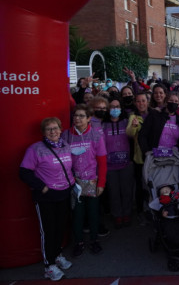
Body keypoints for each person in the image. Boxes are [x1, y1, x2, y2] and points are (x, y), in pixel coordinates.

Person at [19, 117, 75, 281]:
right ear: (43, 132)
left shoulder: (65, 145)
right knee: (48, 231)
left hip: (64, 193)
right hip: (46, 197)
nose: (53, 132)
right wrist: (42, 187)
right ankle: (49, 266)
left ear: (60, 129)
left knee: (60, 228)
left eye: (56, 128)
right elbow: (24, 172)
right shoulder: (35, 149)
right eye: (49, 129)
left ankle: (57, 255)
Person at [62, 104, 107, 257]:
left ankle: (94, 241)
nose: (77, 118)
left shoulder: (96, 135)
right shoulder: (66, 135)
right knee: (77, 214)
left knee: (93, 213)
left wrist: (101, 183)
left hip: (92, 181)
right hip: (74, 181)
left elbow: (102, 161)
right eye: (75, 115)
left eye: (81, 116)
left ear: (89, 118)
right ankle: (79, 242)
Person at [101, 95, 134, 228]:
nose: (115, 109)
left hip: (126, 163)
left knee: (126, 191)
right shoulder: (104, 125)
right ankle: (117, 215)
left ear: (121, 108)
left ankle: (127, 213)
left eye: (117, 107)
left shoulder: (127, 122)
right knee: (113, 192)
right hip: (110, 166)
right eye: (112, 107)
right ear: (108, 109)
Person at [126, 92, 151, 219]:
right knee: (140, 186)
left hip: (153, 157)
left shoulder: (153, 114)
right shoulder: (133, 117)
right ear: (135, 103)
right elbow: (129, 133)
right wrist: (134, 126)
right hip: (139, 157)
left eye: (143, 100)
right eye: (138, 101)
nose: (141, 103)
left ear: (147, 101)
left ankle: (153, 209)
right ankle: (141, 210)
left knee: (152, 184)